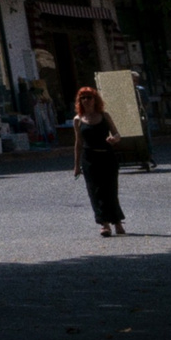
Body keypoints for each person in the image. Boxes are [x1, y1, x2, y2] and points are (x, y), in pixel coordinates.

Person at [69, 84, 126, 237]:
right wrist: (76, 165)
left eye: (89, 97)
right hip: (89, 159)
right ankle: (104, 224)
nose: (86, 100)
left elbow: (117, 134)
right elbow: (78, 143)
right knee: (95, 192)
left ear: (95, 100)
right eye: (83, 98)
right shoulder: (78, 120)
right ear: (79, 101)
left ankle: (117, 222)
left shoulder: (104, 115)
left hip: (107, 156)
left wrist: (114, 139)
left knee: (110, 190)